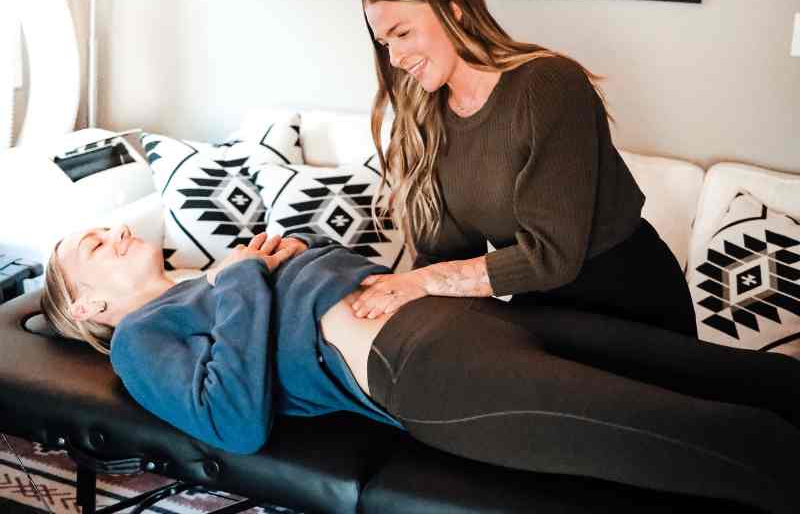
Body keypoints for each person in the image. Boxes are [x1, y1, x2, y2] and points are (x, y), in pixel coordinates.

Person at [40, 224, 800, 513]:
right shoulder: (139, 337)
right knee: (728, 439)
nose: (113, 231)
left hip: (474, 313)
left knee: (739, 375)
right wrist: (243, 275)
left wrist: (293, 260)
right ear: (90, 306)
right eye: (92, 247)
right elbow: (232, 421)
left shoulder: (210, 275)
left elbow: (294, 302)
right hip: (426, 368)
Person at [352, 0, 696, 340]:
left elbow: (552, 256)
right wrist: (391, 297)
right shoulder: (426, 118)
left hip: (630, 306)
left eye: (403, 33)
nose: (394, 58)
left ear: (453, 11)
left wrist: (425, 282)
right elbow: (443, 258)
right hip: (542, 313)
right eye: (385, 44)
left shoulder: (549, 85)